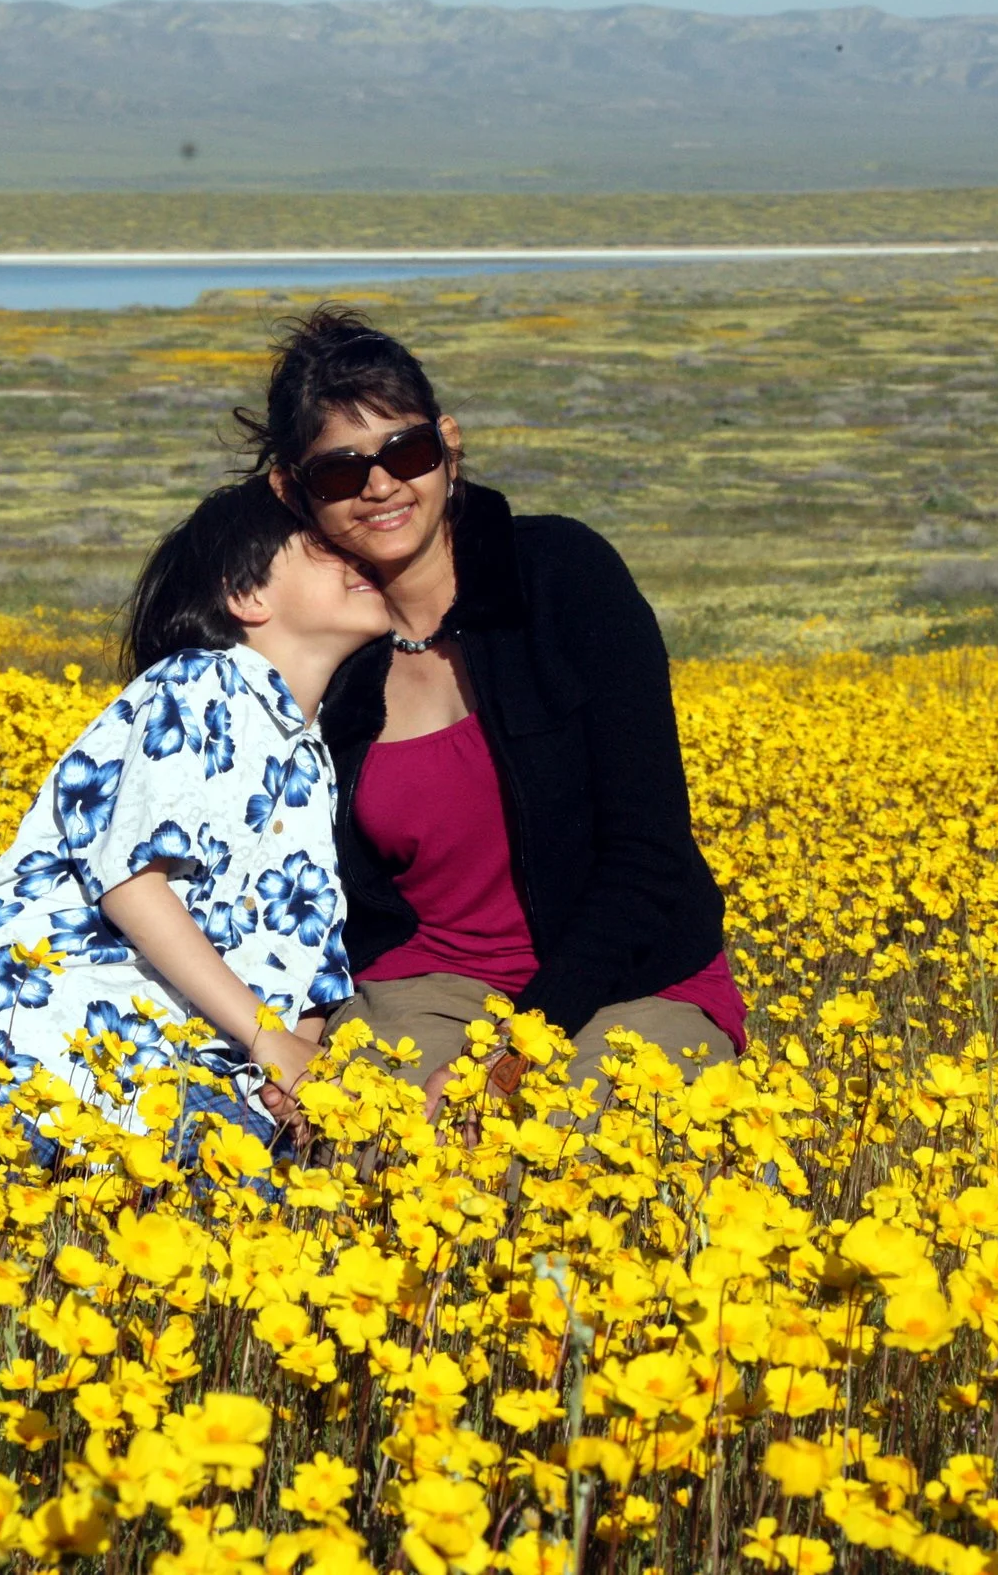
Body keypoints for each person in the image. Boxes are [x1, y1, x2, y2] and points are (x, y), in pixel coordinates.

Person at [251, 307, 747, 1110]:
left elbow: (647, 858)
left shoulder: (564, 577)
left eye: (405, 451)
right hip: (429, 984)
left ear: (447, 444)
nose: (380, 486)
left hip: (625, 979)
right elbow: (292, 875)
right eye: (341, 471)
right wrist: (303, 1028)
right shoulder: (319, 647)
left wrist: (513, 1058)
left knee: (563, 1154)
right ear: (294, 491)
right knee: (373, 1147)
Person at [0, 479, 388, 1156]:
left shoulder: (317, 756)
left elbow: (306, 970)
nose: (360, 556)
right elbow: (131, 881)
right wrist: (268, 1040)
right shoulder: (203, 683)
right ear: (248, 595)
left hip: (173, 1062)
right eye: (326, 547)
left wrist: (294, 1073)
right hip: (35, 1033)